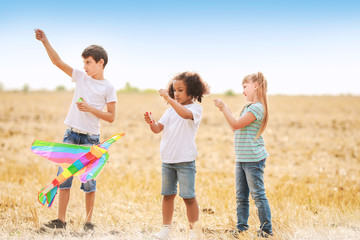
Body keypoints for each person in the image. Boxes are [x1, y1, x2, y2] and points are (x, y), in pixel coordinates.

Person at [34, 29, 117, 232]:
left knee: (89, 181)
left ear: (101, 63)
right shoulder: (80, 77)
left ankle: (88, 223)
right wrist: (45, 41)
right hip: (71, 135)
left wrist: (89, 108)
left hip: (91, 138)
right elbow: (57, 62)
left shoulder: (108, 87)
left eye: (88, 62)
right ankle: (60, 221)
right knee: (64, 178)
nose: (84, 67)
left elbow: (111, 117)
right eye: (84, 63)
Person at [144, 72, 209, 240]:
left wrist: (170, 99)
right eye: (174, 90)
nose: (176, 93)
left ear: (192, 91)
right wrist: (151, 122)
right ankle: (166, 229)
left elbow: (185, 115)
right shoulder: (170, 111)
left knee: (188, 196)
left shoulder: (195, 109)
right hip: (167, 161)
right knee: (167, 195)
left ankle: (193, 231)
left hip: (185, 161)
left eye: (180, 90)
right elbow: (158, 129)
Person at [214, 72, 273, 238]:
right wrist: (225, 112)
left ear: (255, 85)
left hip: (253, 160)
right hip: (242, 159)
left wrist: (224, 107)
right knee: (241, 196)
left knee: (258, 195)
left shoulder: (258, 108)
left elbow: (236, 124)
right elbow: (235, 128)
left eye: (245, 86)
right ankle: (241, 228)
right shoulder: (248, 107)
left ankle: (267, 229)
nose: (243, 91)